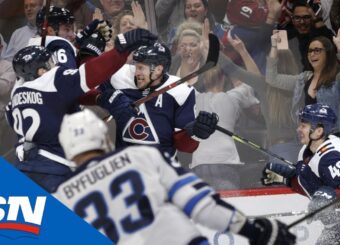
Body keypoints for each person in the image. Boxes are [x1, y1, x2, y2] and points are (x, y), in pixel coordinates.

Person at [54, 108, 296, 245]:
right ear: (104, 138)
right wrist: (254, 230)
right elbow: (199, 205)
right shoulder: (141, 156)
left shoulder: (61, 200)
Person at [5, 28, 157, 192]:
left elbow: (56, 101)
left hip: (23, 168)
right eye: (49, 64)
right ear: (40, 71)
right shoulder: (52, 79)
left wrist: (98, 98)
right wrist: (120, 50)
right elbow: (90, 73)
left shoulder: (15, 97)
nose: (53, 66)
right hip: (55, 169)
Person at [262, 103, 340, 245]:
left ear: (319, 131)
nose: (298, 129)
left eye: (303, 126)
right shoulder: (306, 151)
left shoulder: (332, 156)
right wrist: (287, 179)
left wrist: (329, 198)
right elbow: (313, 186)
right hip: (337, 225)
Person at [98, 41, 218, 158]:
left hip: (161, 170)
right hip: (124, 166)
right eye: (136, 66)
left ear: (158, 70)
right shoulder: (119, 77)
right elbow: (87, 95)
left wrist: (195, 132)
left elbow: (184, 147)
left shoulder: (181, 92)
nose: (136, 72)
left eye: (141, 68)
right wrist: (106, 99)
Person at [266, 26, 340, 146]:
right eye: (310, 51)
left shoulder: (337, 79)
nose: (312, 54)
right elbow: (272, 78)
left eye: (317, 50)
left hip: (335, 140)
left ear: (327, 54)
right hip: (308, 141)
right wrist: (274, 47)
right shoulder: (303, 79)